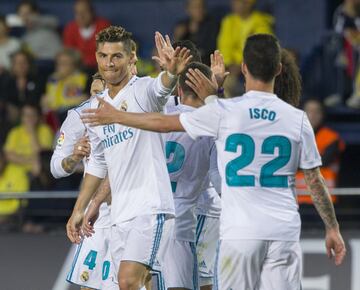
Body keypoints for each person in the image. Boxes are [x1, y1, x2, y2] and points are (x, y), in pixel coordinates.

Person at [81, 34, 346, 290]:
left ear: (243, 68)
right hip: (281, 231)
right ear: (278, 69)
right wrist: (332, 228)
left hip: (237, 232)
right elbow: (314, 180)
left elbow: (161, 123)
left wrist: (118, 116)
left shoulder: (223, 113)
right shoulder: (297, 119)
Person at [66, 25, 191, 290]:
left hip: (150, 208)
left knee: (128, 281)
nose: (109, 63)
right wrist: (81, 208)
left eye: (117, 56)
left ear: (132, 58)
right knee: (137, 285)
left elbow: (161, 88)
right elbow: (99, 163)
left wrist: (170, 73)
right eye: (103, 56)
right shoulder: (98, 108)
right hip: (119, 213)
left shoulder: (141, 90)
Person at [50, 72, 112, 290]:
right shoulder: (79, 116)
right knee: (89, 285)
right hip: (98, 216)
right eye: (95, 93)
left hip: (132, 208)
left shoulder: (131, 110)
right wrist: (75, 157)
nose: (99, 99)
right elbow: (56, 168)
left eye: (104, 92)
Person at [296, 99, 345, 204]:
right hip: (298, 196)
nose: (313, 115)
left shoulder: (332, 137)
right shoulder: (293, 136)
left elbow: (324, 161)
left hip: (324, 198)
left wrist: (298, 162)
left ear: (322, 115)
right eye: (309, 111)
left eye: (316, 111)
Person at [41, 48, 88, 124]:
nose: (61, 67)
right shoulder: (53, 79)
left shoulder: (81, 78)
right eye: (59, 63)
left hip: (72, 116)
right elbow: (48, 101)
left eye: (65, 63)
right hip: (55, 117)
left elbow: (77, 101)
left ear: (74, 65)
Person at [63, 0, 110, 71]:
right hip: (78, 69)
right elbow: (70, 53)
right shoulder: (70, 28)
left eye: (84, 12)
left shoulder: (104, 26)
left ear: (93, 12)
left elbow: (107, 53)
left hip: (100, 68)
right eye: (77, 13)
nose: (81, 16)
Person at [173, 0, 219, 66]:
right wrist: (177, 36)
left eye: (201, 6)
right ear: (187, 9)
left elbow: (209, 49)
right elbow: (174, 48)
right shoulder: (182, 25)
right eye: (195, 7)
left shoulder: (212, 25)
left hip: (204, 64)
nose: (199, 10)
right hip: (183, 64)